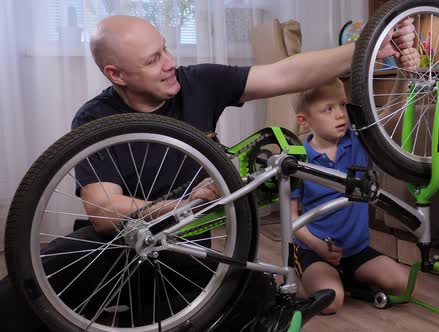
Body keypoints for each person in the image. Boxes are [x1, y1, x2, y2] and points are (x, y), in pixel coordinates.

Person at [0, 15, 417, 331]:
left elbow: (287, 73)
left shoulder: (196, 83)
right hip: (119, 247)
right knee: (21, 289)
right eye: (153, 60)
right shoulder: (95, 118)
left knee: (254, 295)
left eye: (165, 50)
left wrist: (369, 47)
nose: (170, 63)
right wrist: (181, 204)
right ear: (117, 75)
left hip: (189, 254)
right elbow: (104, 212)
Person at [289, 62, 417, 314]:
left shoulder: (357, 141)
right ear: (304, 121)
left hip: (355, 251)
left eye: (342, 105)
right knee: (331, 302)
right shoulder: (298, 159)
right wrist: (316, 246)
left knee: (403, 285)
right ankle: (314, 275)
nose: (340, 114)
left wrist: (405, 77)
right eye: (328, 109)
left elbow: (389, 118)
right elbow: (291, 217)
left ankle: (348, 281)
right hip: (313, 251)